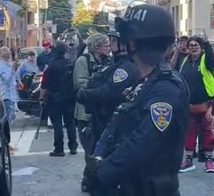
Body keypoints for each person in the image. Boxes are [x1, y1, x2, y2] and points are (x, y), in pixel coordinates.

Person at [88, 4, 189, 196]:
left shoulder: (166, 88)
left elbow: (143, 141)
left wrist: (103, 172)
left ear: (132, 44)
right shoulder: (145, 80)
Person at [76, 30, 140, 147]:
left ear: (125, 43)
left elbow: (109, 92)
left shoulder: (126, 67)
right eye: (110, 40)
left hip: (113, 126)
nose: (110, 43)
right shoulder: (112, 64)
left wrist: (85, 94)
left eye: (114, 40)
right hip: (100, 122)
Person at [73, 32, 111, 192]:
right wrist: (101, 82)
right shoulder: (83, 61)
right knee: (90, 151)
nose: (109, 49)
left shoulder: (108, 62)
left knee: (99, 149)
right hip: (85, 114)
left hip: (101, 113)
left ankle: (93, 179)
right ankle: (88, 181)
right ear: (97, 47)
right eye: (106, 46)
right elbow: (80, 84)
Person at [178, 36, 214, 174]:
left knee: (208, 133)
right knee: (189, 133)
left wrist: (207, 43)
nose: (193, 47)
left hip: (207, 104)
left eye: (196, 45)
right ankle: (188, 160)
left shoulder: (206, 59)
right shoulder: (184, 61)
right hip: (189, 105)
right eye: (191, 45)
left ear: (201, 47)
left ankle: (209, 161)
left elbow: (213, 60)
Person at [40, 41, 78, 157]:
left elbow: (44, 86)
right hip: (69, 97)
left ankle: (59, 149)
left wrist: (41, 98)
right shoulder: (70, 64)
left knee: (57, 124)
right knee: (70, 123)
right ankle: (73, 147)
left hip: (54, 98)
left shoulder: (51, 66)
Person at [0, 46, 18, 151]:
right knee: (7, 121)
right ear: (0, 55)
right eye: (4, 50)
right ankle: (5, 143)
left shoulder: (7, 65)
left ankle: (6, 143)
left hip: (11, 95)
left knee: (10, 119)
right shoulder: (1, 67)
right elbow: (7, 81)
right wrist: (13, 69)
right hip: (6, 96)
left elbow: (12, 80)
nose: (8, 51)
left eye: (8, 50)